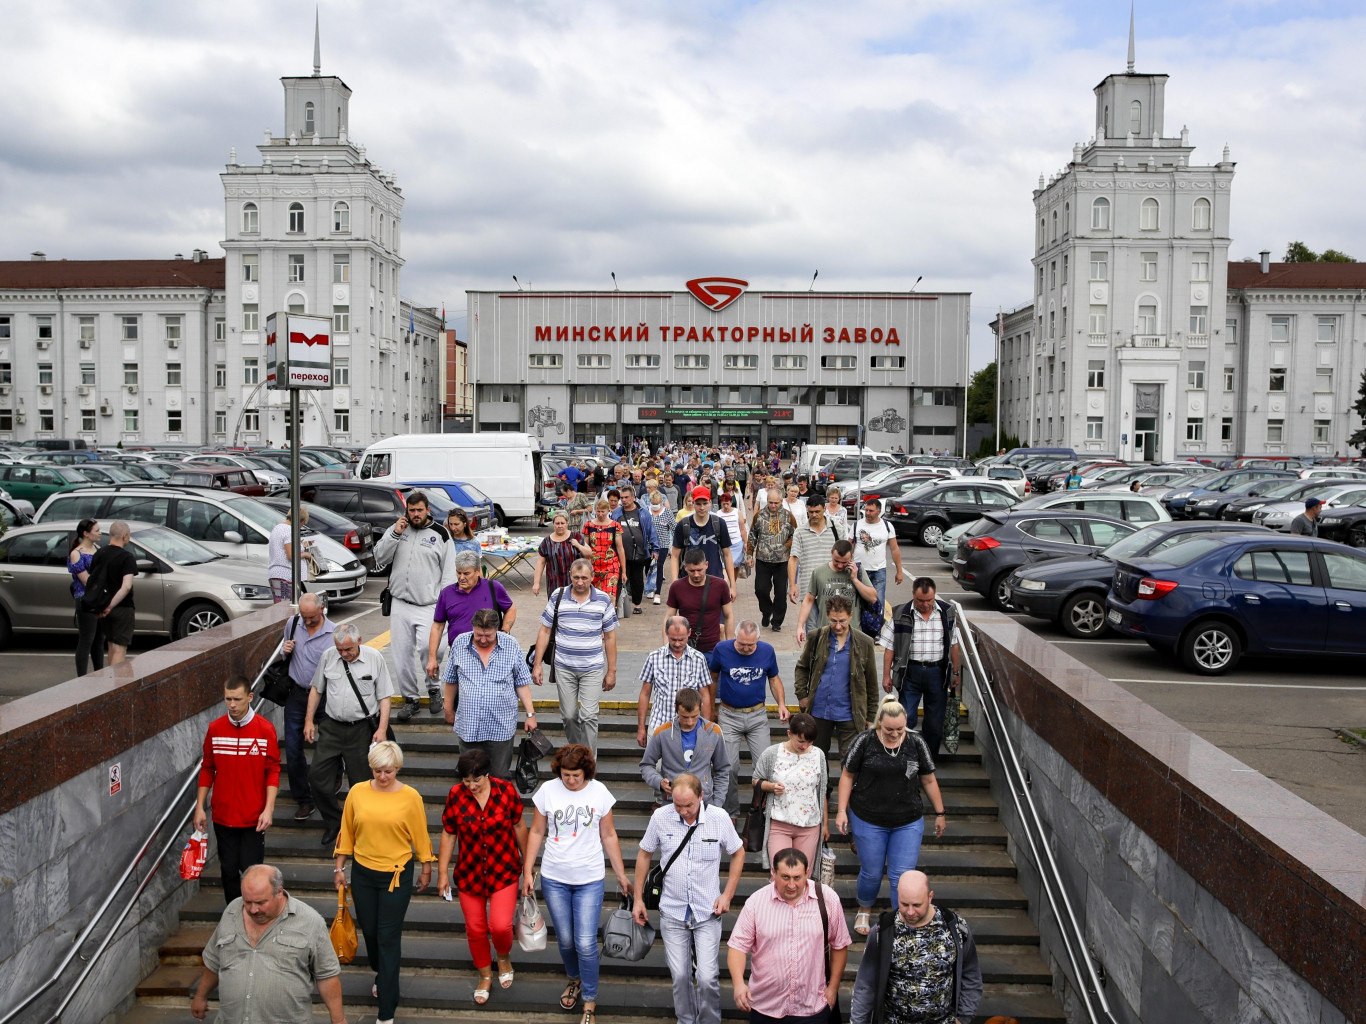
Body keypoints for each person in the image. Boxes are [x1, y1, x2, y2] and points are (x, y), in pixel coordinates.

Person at [523, 744, 633, 1023]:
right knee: (566, 939)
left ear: (587, 772)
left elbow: (609, 835)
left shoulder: (599, 792)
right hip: (554, 877)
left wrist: (620, 874)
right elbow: (536, 831)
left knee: (585, 943)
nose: (570, 781)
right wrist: (528, 870)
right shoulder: (548, 791)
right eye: (566, 775)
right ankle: (574, 978)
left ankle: (590, 1001)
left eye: (576, 775)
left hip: (589, 878)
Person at [333, 740, 435, 1024]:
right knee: (371, 933)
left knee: (388, 938)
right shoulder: (357, 792)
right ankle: (383, 974)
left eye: (388, 771)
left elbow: (420, 833)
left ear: (398, 768)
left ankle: (386, 1012)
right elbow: (347, 832)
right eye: (377, 771)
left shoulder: (410, 796)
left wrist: (427, 867)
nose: (382, 776)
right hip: (363, 873)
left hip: (396, 875)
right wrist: (338, 867)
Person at [632, 773, 745, 1024]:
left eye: (689, 805)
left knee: (707, 977)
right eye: (677, 805)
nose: (683, 811)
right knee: (680, 976)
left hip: (707, 912)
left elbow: (738, 852)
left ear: (701, 796)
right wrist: (638, 898)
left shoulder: (718, 818)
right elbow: (644, 854)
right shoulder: (661, 818)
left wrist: (727, 895)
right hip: (672, 911)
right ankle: (685, 1021)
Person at [836, 702, 946, 937]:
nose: (895, 734)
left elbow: (928, 779)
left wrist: (940, 813)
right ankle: (865, 907)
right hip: (867, 816)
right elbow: (847, 775)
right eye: (889, 730)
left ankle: (903, 918)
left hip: (907, 819)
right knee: (872, 871)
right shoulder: (865, 741)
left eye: (900, 729)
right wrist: (841, 810)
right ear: (880, 724)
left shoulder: (916, 742)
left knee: (902, 875)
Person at [191, 864, 345, 1024]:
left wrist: (338, 1019)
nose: (253, 910)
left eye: (260, 902)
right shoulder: (232, 911)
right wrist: (201, 996)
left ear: (279, 892)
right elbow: (215, 960)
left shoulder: (310, 921)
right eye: (247, 901)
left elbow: (327, 975)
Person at [438, 748, 528, 1004]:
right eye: (466, 781)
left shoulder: (505, 791)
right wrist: (442, 871)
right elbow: (449, 832)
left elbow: (519, 825)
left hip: (504, 868)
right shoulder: (456, 795)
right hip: (470, 872)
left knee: (500, 926)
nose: (471, 786)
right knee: (476, 929)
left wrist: (528, 863)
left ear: (487, 774)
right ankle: (485, 974)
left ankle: (502, 955)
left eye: (476, 780)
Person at [728, 847, 850, 1024]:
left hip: (812, 1007)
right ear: (773, 873)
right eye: (785, 877)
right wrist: (738, 984)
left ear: (807, 873)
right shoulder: (756, 902)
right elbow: (738, 947)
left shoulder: (828, 899)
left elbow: (839, 945)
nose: (792, 885)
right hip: (765, 1007)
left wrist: (833, 988)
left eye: (797, 878)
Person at [849, 871, 984, 1024]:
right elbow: (865, 984)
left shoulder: (955, 927)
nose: (910, 912)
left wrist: (963, 1018)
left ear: (930, 897)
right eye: (904, 904)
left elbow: (971, 974)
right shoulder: (883, 931)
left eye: (917, 905)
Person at [304, 624, 394, 847]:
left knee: (362, 785)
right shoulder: (328, 656)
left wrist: (381, 729)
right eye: (340, 650)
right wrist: (309, 720)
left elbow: (384, 697)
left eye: (348, 650)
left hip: (361, 730)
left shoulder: (374, 659)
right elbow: (317, 689)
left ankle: (360, 828)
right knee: (317, 777)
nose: (343, 654)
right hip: (332, 728)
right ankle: (335, 822)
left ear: (360, 641)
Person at [195, 676, 280, 904]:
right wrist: (199, 807)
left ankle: (255, 913)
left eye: (237, 699)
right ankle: (234, 916)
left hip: (254, 818)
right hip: (223, 817)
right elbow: (207, 768)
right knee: (228, 871)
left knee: (252, 873)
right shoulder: (215, 729)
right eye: (228, 699)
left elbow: (273, 770)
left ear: (250, 698)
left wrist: (268, 809)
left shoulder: (264, 729)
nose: (232, 704)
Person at [373, 491, 457, 721]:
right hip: (400, 602)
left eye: (420, 510)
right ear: (406, 511)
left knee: (430, 650)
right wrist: (395, 534)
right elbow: (379, 558)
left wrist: (446, 605)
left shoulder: (441, 534)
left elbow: (449, 574)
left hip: (429, 604)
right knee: (401, 655)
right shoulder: (397, 529)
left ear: (427, 509)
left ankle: (433, 688)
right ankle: (410, 698)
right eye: (412, 510)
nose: (416, 514)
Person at [532, 558, 619, 754]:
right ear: (570, 577)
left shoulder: (603, 600)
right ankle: (577, 750)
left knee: (589, 715)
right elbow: (545, 631)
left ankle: (588, 761)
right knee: (569, 716)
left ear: (592, 578)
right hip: (564, 667)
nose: (580, 582)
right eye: (576, 577)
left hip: (592, 668)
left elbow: (611, 638)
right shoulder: (558, 596)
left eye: (584, 578)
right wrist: (537, 664)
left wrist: (611, 671)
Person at [443, 607, 538, 779]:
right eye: (479, 635)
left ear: (497, 629)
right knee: (470, 775)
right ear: (473, 628)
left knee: (499, 775)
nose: (483, 640)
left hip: (500, 725)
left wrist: (530, 714)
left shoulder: (511, 645)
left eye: (488, 636)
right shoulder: (459, 643)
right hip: (469, 724)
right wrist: (448, 709)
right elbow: (451, 680)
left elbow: (522, 683)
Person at [708, 622, 787, 814]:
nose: (745, 648)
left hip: (757, 715)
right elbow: (713, 678)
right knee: (729, 767)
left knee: (764, 765)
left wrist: (782, 704)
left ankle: (758, 808)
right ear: (735, 637)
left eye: (750, 645)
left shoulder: (767, 651)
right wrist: (710, 708)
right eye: (741, 644)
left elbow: (774, 679)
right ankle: (730, 811)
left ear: (758, 640)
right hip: (728, 714)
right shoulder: (722, 649)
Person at [879, 578, 961, 758]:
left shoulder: (947, 613)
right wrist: (886, 675)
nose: (925, 605)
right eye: (920, 601)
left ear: (934, 596)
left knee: (934, 723)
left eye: (929, 600)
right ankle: (905, 757)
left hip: (937, 674)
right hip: (910, 673)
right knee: (906, 718)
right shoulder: (901, 613)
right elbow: (889, 647)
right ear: (913, 596)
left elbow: (954, 643)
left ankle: (928, 761)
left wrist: (955, 672)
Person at [794, 595, 879, 757]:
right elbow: (802, 667)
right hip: (819, 710)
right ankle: (824, 784)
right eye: (833, 621)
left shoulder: (865, 643)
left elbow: (871, 683)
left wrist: (870, 717)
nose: (838, 626)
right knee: (816, 757)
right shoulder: (815, 637)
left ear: (851, 616)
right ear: (827, 616)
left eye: (842, 621)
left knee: (850, 759)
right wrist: (802, 695)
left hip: (850, 713)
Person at [280, 593, 334, 822]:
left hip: (324, 697)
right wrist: (285, 651)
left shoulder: (334, 633)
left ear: (322, 609)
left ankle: (331, 784)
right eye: (304, 617)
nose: (307, 621)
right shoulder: (293, 624)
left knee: (330, 747)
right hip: (296, 695)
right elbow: (283, 657)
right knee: (292, 750)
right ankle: (304, 799)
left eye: (312, 617)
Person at [751, 713, 828, 870]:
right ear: (789, 734)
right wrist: (771, 787)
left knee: (803, 877)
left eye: (809, 741)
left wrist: (825, 824)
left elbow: (821, 791)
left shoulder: (818, 755)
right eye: (800, 741)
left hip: (810, 824)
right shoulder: (772, 753)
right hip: (779, 822)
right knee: (780, 874)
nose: (805, 745)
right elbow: (755, 780)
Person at [427, 550, 516, 681]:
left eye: (466, 573)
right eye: (458, 572)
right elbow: (438, 627)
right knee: (458, 696)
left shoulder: (493, 587)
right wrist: (432, 658)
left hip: (491, 654)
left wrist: (504, 632)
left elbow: (511, 609)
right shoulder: (447, 593)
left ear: (477, 571)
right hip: (459, 655)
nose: (461, 577)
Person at [639, 687, 732, 804]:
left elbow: (722, 770)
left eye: (694, 716)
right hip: (672, 801)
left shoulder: (714, 732)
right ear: (676, 708)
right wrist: (659, 782)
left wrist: (717, 803)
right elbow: (646, 765)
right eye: (684, 717)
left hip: (704, 802)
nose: (690, 722)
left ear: (701, 707)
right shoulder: (662, 733)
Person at [637, 616, 714, 745]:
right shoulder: (654, 658)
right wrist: (641, 728)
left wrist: (705, 728)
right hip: (659, 725)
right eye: (673, 639)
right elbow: (645, 694)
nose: (677, 644)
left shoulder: (699, 659)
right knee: (656, 765)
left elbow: (705, 695)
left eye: (681, 640)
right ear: (666, 633)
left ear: (689, 633)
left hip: (690, 728)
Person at [797, 539, 878, 644]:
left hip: (852, 636)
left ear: (851, 557)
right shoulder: (819, 572)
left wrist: (854, 579)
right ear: (831, 553)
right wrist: (800, 626)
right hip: (826, 635)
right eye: (836, 561)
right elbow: (808, 600)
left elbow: (872, 597)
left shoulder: (857, 571)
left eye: (844, 562)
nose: (840, 565)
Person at [87, 519, 137, 666]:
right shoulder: (127, 557)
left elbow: (93, 580)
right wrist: (111, 605)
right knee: (120, 648)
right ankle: (117, 685)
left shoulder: (99, 554)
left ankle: (110, 684)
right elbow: (126, 587)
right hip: (122, 608)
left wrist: (105, 607)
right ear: (125, 536)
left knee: (110, 645)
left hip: (102, 607)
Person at [747, 489, 798, 633]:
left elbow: (795, 535)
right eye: (771, 502)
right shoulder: (759, 515)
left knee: (781, 593)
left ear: (781, 502)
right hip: (763, 559)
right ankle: (766, 610)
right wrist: (749, 555)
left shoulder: (788, 516)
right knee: (760, 590)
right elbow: (752, 535)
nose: (773, 505)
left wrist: (786, 547)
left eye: (776, 503)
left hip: (782, 561)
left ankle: (777, 620)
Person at [667, 548, 735, 655]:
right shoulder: (677, 587)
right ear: (685, 567)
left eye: (700, 570)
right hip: (686, 648)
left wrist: (729, 645)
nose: (696, 575)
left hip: (713, 649)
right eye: (692, 571)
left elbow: (728, 615)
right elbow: (669, 618)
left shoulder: (720, 585)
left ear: (706, 565)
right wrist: (666, 646)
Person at [789, 495, 840, 635]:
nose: (814, 515)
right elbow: (793, 559)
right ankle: (814, 656)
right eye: (811, 512)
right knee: (812, 630)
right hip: (808, 588)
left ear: (824, 509)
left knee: (833, 628)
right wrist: (792, 585)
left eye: (817, 511)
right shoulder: (800, 532)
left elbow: (844, 556)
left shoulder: (836, 529)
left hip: (832, 587)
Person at [670, 487, 735, 583]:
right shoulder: (683, 525)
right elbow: (675, 556)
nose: (702, 508)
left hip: (714, 579)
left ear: (710, 502)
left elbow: (727, 554)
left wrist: (732, 585)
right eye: (698, 504)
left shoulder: (719, 523)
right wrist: (675, 582)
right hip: (688, 580)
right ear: (693, 503)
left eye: (705, 503)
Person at [612, 485, 657, 615]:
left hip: (638, 553)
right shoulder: (617, 513)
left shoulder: (643, 513)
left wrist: (655, 549)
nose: (624, 500)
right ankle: (617, 606)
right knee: (620, 580)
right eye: (622, 498)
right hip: (620, 554)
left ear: (633, 497)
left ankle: (637, 604)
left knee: (637, 580)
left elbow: (651, 531)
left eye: (626, 497)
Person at [853, 497, 903, 612]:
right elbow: (849, 547)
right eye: (866, 510)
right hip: (860, 570)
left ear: (878, 512)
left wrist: (899, 571)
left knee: (878, 603)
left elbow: (894, 549)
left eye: (871, 511)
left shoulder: (887, 526)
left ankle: (876, 628)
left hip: (879, 571)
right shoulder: (857, 525)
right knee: (858, 604)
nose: (867, 513)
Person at [67, 518, 104, 676]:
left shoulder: (98, 548)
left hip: (100, 598)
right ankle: (81, 676)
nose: (100, 533)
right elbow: (86, 581)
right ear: (86, 534)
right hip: (85, 600)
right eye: (96, 530)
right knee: (87, 638)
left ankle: (99, 673)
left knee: (99, 639)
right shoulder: (77, 554)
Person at [534, 511, 593, 596]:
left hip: (574, 581)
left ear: (567, 523)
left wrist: (578, 545)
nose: (560, 526)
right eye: (557, 523)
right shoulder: (547, 542)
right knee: (556, 606)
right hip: (554, 582)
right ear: (553, 524)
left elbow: (589, 553)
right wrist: (536, 583)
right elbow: (541, 562)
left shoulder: (575, 537)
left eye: (562, 523)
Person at [267, 506, 313, 604]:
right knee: (285, 610)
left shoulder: (278, 527)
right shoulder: (289, 530)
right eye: (303, 524)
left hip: (277, 574)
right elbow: (291, 555)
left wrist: (301, 545)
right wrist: (305, 554)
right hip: (285, 575)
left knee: (281, 608)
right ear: (300, 521)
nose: (301, 526)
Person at [582, 499, 626, 600]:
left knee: (610, 596)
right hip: (593, 566)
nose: (600, 514)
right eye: (598, 511)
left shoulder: (615, 526)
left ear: (608, 511)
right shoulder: (589, 525)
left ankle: (610, 615)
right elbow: (586, 547)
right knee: (593, 597)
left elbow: (620, 549)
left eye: (603, 511)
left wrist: (623, 571)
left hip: (611, 565)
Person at [645, 489, 677, 604]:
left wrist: (675, 545)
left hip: (662, 545)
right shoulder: (645, 512)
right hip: (647, 544)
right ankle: (650, 587)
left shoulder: (667, 513)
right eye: (653, 504)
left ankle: (657, 593)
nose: (655, 506)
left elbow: (674, 528)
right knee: (648, 567)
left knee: (658, 567)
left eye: (656, 503)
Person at [715, 490, 746, 592]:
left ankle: (733, 584)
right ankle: (725, 587)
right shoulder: (718, 514)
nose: (726, 506)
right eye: (724, 504)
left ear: (731, 502)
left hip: (737, 543)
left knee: (735, 565)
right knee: (725, 566)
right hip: (724, 544)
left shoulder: (737, 512)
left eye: (727, 504)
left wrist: (745, 543)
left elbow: (742, 528)